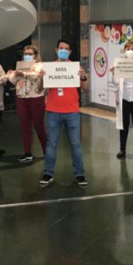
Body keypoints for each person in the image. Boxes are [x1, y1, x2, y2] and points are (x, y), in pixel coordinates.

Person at [39, 39, 89, 188]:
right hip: (53, 111)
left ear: (70, 52)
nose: (63, 50)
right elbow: (41, 89)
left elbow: (86, 88)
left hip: (72, 111)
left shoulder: (76, 68)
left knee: (76, 144)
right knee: (51, 144)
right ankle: (48, 173)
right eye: (61, 48)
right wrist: (42, 78)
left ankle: (80, 174)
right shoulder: (49, 68)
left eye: (66, 49)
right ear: (56, 50)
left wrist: (83, 76)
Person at [8, 45, 46, 163]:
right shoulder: (20, 66)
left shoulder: (39, 65)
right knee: (25, 126)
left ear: (35, 55)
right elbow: (15, 81)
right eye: (26, 53)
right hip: (21, 98)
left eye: (30, 54)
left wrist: (23, 74)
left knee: (39, 126)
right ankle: (27, 153)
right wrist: (11, 75)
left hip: (36, 98)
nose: (28, 56)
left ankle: (47, 151)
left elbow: (35, 76)